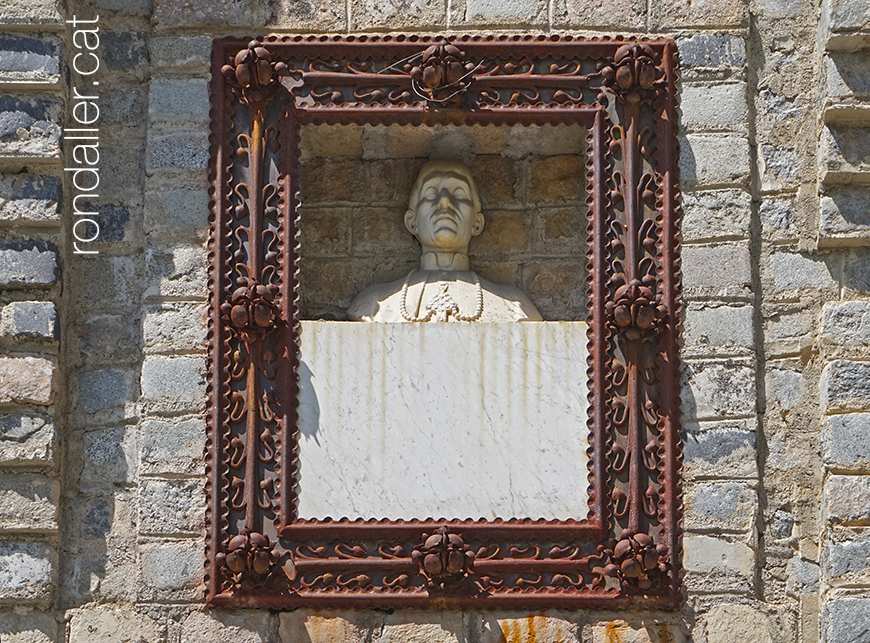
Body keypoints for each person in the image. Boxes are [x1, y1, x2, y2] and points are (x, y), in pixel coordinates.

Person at [347, 159, 543, 322]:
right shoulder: (373, 306)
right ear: (412, 221)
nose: (444, 202)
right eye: (431, 192)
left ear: (477, 222)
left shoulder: (515, 307)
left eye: (459, 193)